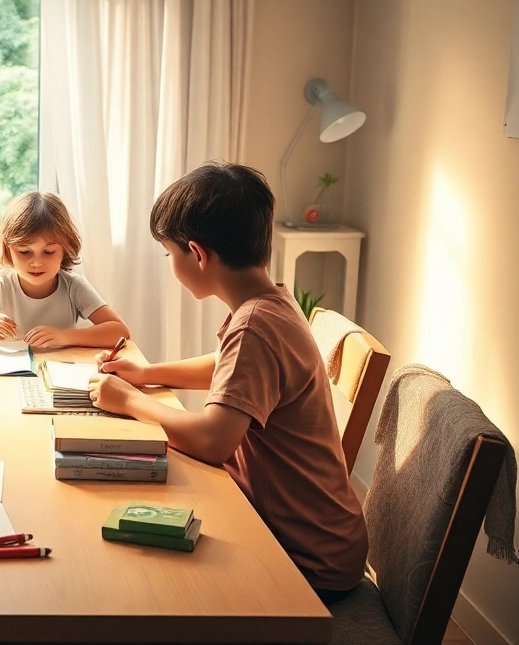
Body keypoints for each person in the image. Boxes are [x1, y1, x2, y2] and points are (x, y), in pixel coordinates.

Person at [87, 162, 367, 604]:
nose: (172, 266)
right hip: (322, 542)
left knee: (136, 586)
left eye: (170, 255)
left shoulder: (255, 324)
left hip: (306, 563)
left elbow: (214, 441)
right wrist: (147, 373)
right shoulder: (271, 302)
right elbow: (229, 366)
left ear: (197, 254)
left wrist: (129, 401)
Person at [0, 191, 130, 349]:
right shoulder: (0, 283)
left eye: (48, 252)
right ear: (8, 249)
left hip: (60, 373)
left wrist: (64, 336)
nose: (36, 262)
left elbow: (119, 331)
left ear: (65, 249)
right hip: (13, 372)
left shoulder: (74, 286)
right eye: (24, 252)